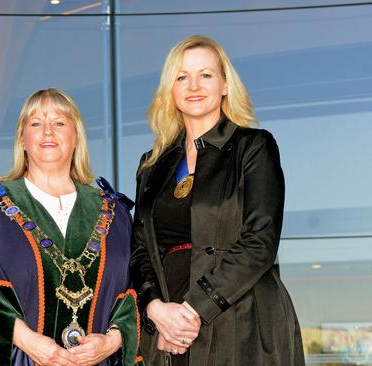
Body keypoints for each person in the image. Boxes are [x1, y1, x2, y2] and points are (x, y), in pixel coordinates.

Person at [130, 35, 305, 366]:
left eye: (205, 74)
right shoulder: (152, 165)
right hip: (167, 330)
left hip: (242, 318)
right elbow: (140, 251)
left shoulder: (254, 147)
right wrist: (155, 308)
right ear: (171, 89)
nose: (194, 85)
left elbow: (260, 241)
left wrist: (195, 309)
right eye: (182, 77)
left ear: (224, 84)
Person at [0, 88, 142, 366]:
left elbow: (133, 292)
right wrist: (33, 344)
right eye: (36, 123)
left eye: (60, 123)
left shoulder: (113, 213)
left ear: (76, 137)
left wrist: (110, 342)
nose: (48, 132)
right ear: (22, 139)